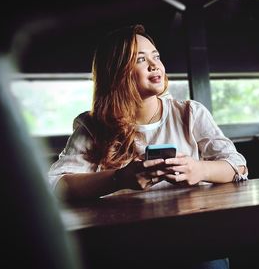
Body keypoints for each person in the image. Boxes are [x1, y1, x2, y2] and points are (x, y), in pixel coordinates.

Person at [48, 24, 248, 268]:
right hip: (126, 244)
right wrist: (120, 179)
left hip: (193, 238)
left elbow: (238, 165)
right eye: (140, 59)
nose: (155, 65)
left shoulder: (189, 113)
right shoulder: (93, 126)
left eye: (156, 56)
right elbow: (55, 186)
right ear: (116, 72)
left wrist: (199, 170)